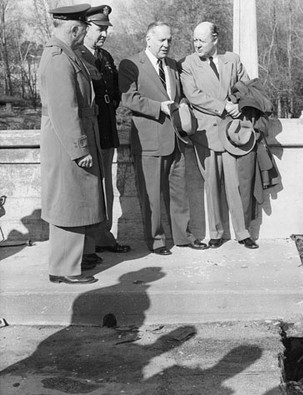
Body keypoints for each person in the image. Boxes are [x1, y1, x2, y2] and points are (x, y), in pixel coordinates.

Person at [118, 22, 207, 255]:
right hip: (148, 141)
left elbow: (179, 96)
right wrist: (160, 107)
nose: (166, 45)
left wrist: (184, 106)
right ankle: (157, 242)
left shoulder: (172, 65)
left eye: (169, 40)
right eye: (162, 40)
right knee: (152, 197)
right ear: (148, 39)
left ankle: (184, 238)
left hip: (176, 139)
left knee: (179, 193)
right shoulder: (130, 65)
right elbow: (129, 98)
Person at [39, 4, 105, 284]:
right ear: (74, 28)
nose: (85, 34)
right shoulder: (58, 58)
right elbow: (64, 110)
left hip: (72, 137)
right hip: (67, 141)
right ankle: (63, 268)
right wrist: (79, 149)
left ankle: (76, 258)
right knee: (68, 201)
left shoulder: (67, 55)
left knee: (79, 199)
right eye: (83, 29)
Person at [180, 21, 258, 250]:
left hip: (231, 132)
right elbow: (193, 95)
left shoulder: (232, 60)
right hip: (205, 134)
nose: (196, 44)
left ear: (215, 39)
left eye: (201, 40)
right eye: (194, 40)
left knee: (235, 185)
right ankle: (215, 233)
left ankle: (243, 234)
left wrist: (236, 104)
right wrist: (223, 106)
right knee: (211, 185)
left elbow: (246, 86)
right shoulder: (188, 64)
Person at [76, 5, 131, 255]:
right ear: (86, 27)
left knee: (106, 185)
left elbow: (115, 94)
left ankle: (104, 237)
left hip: (107, 127)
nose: (104, 34)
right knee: (90, 187)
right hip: (90, 129)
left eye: (106, 29)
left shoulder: (106, 57)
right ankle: (88, 243)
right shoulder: (76, 55)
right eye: (100, 29)